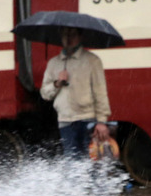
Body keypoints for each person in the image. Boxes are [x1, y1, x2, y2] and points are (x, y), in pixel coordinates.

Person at [40, 26, 111, 158]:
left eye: (72, 34)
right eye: (65, 35)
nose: (68, 38)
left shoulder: (92, 61)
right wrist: (57, 84)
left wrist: (101, 121)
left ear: (80, 36)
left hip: (88, 119)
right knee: (72, 166)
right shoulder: (53, 63)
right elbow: (44, 94)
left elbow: (100, 92)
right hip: (65, 121)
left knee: (93, 164)